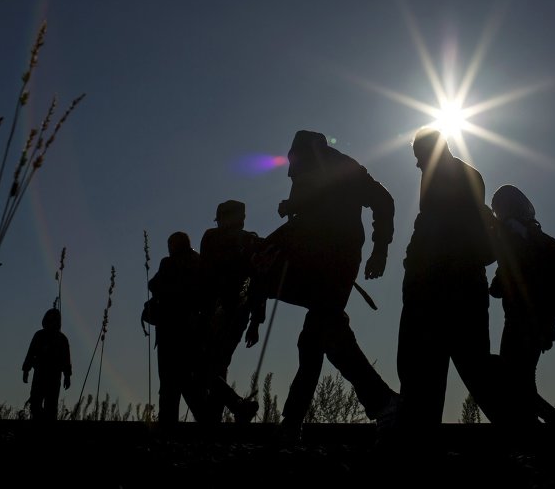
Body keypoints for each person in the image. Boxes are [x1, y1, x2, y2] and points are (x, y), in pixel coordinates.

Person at [262, 129, 399, 441]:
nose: (293, 171)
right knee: (313, 339)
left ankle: (383, 402)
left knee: (327, 331)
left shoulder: (343, 169)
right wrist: (292, 207)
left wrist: (380, 250)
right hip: (317, 263)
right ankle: (293, 422)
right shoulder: (310, 175)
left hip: (335, 262)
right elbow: (310, 212)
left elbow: (383, 200)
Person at [397, 127, 521, 433]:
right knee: (475, 371)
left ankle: (418, 447)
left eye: (418, 156)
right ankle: (521, 435)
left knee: (424, 375)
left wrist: (413, 273)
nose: (416, 164)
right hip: (467, 289)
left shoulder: (438, 181)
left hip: (436, 292)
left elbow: (431, 233)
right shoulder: (469, 176)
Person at [147, 231, 258, 424]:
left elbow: (154, 285)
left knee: (171, 381)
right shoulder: (200, 263)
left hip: (170, 330)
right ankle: (233, 407)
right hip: (194, 330)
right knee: (201, 374)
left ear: (173, 246)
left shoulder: (169, 263)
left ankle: (172, 425)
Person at [488, 184, 555, 425]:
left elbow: (505, 278)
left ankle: (554, 422)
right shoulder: (535, 235)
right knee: (523, 380)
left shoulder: (511, 232)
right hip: (542, 321)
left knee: (509, 377)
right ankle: (536, 439)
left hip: (519, 320)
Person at [197, 200, 266, 421]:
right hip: (239, 312)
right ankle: (224, 413)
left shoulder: (213, 238)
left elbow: (205, 275)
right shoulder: (250, 241)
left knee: (203, 365)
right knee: (218, 365)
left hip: (218, 311)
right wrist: (255, 322)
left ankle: (234, 406)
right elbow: (259, 284)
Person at [22, 307, 72, 420]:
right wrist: (26, 370)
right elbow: (30, 353)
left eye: (54, 320)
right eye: (49, 320)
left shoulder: (62, 339)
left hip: (54, 378)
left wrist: (67, 376)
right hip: (39, 375)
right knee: (35, 404)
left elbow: (66, 359)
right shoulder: (39, 335)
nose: (51, 323)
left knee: (51, 407)